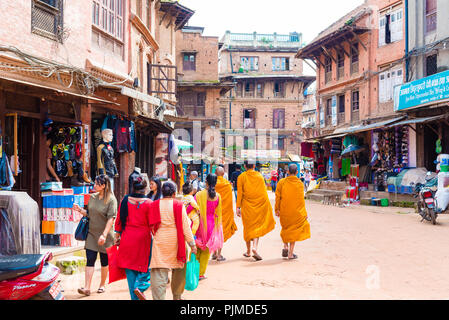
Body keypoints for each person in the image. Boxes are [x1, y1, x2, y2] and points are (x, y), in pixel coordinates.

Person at [148, 181, 197, 300]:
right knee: (179, 271)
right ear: (174, 193)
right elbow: (186, 227)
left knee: (159, 272)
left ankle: (159, 298)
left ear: (162, 192)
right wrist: (192, 244)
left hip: (160, 242)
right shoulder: (178, 205)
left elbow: (150, 226)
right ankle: (177, 296)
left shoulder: (154, 205)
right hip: (177, 243)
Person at [74, 174, 117, 296]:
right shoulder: (92, 197)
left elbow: (111, 219)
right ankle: (87, 287)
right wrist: (79, 210)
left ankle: (102, 285)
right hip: (92, 234)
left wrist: (104, 235)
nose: (94, 185)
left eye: (97, 184)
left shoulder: (111, 200)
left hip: (105, 236)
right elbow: (89, 214)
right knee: (90, 259)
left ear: (103, 186)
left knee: (104, 261)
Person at [114, 174, 152, 300]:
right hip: (143, 240)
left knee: (130, 272)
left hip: (127, 239)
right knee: (145, 268)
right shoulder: (149, 203)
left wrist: (117, 236)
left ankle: (135, 293)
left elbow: (119, 221)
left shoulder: (125, 200)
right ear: (145, 188)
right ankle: (140, 287)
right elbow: (153, 223)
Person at [236, 161, 275, 261]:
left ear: (244, 166)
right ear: (254, 166)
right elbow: (263, 192)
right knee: (257, 226)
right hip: (259, 205)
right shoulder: (259, 176)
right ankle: (255, 247)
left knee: (248, 227)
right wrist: (267, 206)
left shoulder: (241, 177)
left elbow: (239, 193)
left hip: (247, 206)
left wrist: (238, 207)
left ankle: (248, 251)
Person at [274, 164, 311, 260]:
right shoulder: (299, 184)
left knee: (286, 228)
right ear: (297, 172)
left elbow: (277, 197)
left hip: (284, 210)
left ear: (287, 172)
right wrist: (304, 213)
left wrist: (277, 209)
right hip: (296, 212)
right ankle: (290, 253)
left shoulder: (281, 182)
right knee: (293, 231)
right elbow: (301, 200)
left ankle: (285, 245)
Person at [194, 174, 223, 280]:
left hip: (199, 223)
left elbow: (192, 207)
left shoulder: (199, 194)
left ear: (206, 182)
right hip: (211, 224)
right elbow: (218, 212)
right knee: (206, 249)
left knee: (197, 247)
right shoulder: (218, 196)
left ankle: (194, 271)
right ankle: (201, 273)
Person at [212, 166, 237, 261]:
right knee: (221, 232)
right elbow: (229, 201)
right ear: (223, 174)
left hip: (213, 212)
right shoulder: (227, 184)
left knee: (214, 232)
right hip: (224, 212)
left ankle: (214, 253)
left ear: (215, 173)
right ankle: (219, 254)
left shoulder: (212, 184)